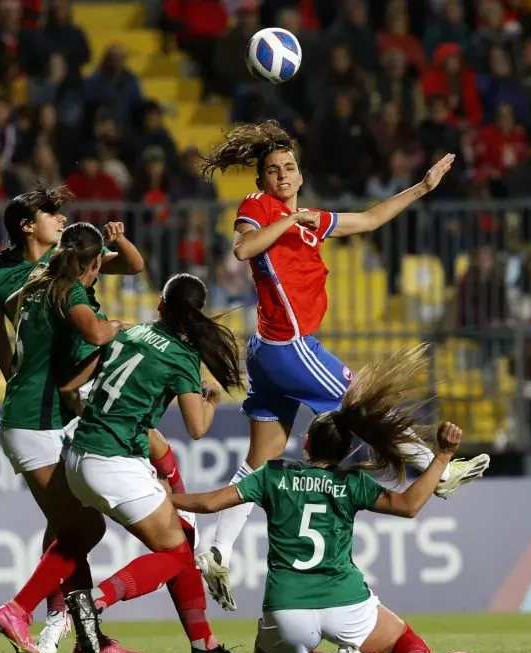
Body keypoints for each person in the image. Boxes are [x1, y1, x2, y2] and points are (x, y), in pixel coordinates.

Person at [195, 120, 490, 610]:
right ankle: (437, 472)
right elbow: (244, 248)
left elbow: (371, 220)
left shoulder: (313, 221)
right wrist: (289, 221)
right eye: (273, 171)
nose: (282, 176)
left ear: (300, 174)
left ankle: (215, 548)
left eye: (289, 168)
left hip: (268, 354)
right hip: (289, 344)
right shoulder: (258, 209)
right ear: (262, 181)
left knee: (259, 463)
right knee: (363, 403)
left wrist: (421, 187)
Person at [171, 346, 480, 653]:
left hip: (287, 609)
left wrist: (165, 498)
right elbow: (409, 505)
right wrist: (443, 456)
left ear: (305, 444)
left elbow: (208, 502)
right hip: (344, 602)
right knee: (402, 638)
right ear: (346, 450)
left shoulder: (273, 475)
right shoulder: (352, 482)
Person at [56, 273, 254, 653]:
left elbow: (70, 389)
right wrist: (211, 397)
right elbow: (197, 429)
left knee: (181, 544)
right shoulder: (182, 357)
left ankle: (205, 649)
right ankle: (94, 602)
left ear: (161, 305)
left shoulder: (128, 334)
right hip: (112, 463)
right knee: (177, 556)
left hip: (79, 457)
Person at [0, 219, 144, 653]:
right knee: (85, 528)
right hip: (34, 423)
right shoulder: (70, 291)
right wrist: (119, 326)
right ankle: (17, 609)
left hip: (35, 419)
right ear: (95, 262)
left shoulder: (41, 283)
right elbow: (95, 333)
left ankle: (87, 641)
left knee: (67, 528)